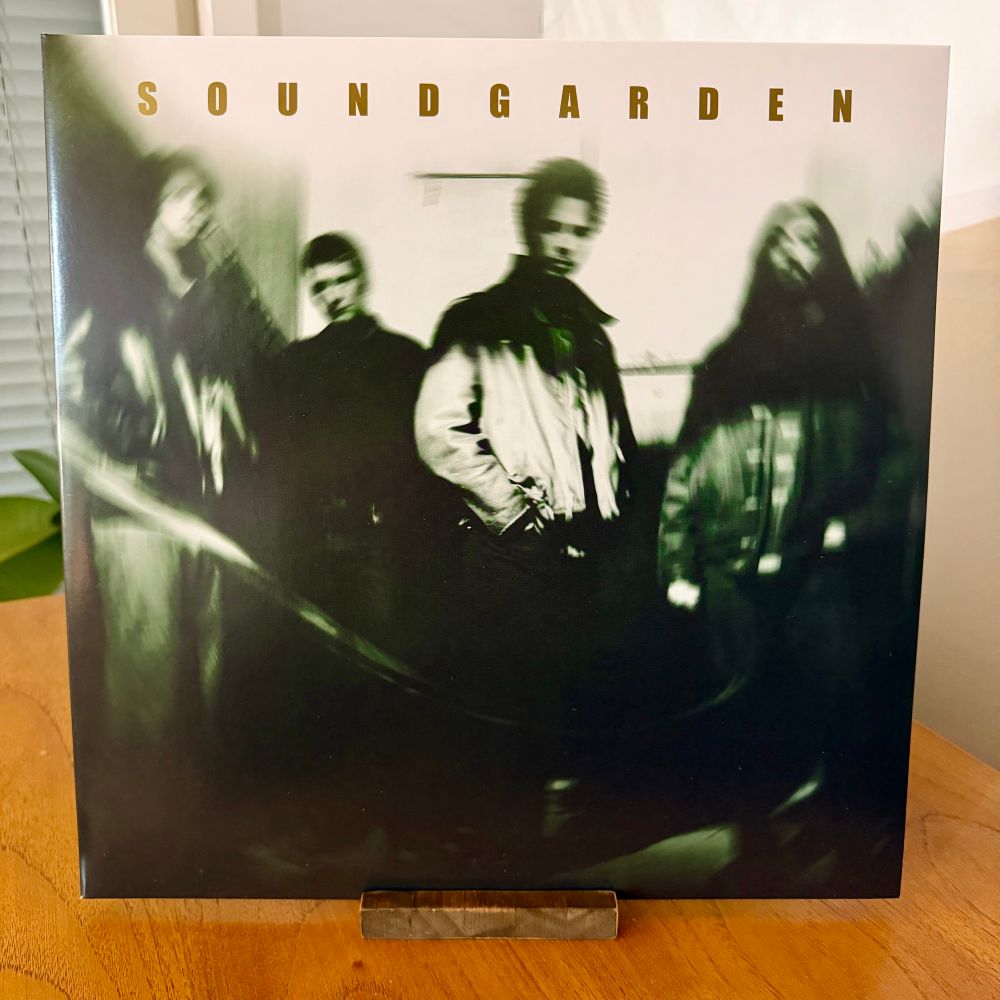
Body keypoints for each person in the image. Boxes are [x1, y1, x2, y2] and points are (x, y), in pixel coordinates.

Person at [657, 200, 902, 889]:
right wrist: (680, 563)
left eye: (810, 241)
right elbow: (686, 465)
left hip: (821, 565)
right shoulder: (728, 359)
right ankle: (754, 846)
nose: (795, 254)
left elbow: (899, 461)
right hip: (732, 568)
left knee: (840, 703)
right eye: (781, 242)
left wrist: (854, 525)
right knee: (741, 711)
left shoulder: (859, 359)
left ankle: (853, 845)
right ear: (764, 257)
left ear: (829, 256)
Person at [67, 149, 284, 755]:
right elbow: (67, 384)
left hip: (202, 497)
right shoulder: (112, 287)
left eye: (203, 198)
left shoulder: (207, 292)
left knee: (207, 659)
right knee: (149, 663)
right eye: (182, 195)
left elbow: (248, 368)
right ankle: (143, 798)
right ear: (152, 202)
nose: (196, 208)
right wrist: (136, 443)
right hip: (139, 502)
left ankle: (196, 795)